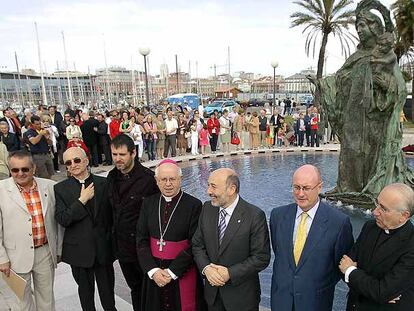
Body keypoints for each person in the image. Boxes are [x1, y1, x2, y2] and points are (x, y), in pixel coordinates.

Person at [269, 164, 354, 311]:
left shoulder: (338, 222)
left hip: (315, 303)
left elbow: (341, 265)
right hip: (281, 301)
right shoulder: (277, 216)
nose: (300, 194)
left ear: (319, 187)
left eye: (306, 188)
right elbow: (280, 253)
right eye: (296, 187)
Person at [192, 168, 270, 311]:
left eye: (213, 186)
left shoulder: (254, 215)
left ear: (231, 189)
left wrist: (229, 273)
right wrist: (206, 268)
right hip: (213, 298)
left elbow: (261, 257)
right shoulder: (207, 208)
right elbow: (197, 245)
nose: (208, 191)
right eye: (209, 185)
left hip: (242, 300)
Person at [137, 159, 206, 310]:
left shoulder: (194, 205)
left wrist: (172, 271)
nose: (168, 184)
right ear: (156, 181)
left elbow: (195, 243)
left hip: (181, 270)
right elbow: (141, 240)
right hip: (154, 272)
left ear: (180, 180)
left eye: (172, 179)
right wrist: (153, 271)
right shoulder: (148, 203)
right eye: (163, 179)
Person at [55, 147, 117, 311]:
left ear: (86, 160)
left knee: (108, 294)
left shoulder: (104, 183)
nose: (73, 165)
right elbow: (63, 219)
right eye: (68, 162)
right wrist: (81, 201)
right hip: (79, 252)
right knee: (85, 294)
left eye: (76, 160)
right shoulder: (60, 189)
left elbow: (113, 216)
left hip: (103, 249)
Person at [0, 150, 62, 311]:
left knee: (46, 300)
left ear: (33, 168)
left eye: (25, 169)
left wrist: (59, 249)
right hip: (15, 257)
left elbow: (58, 222)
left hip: (44, 252)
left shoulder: (50, 186)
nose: (20, 173)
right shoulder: (1, 190)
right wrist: (2, 258)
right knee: (21, 303)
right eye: (15, 170)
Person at [339, 183, 414, 310]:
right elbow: (343, 265)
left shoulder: (411, 244)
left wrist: (351, 271)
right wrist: (376, 289)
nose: (375, 212)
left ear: (404, 216)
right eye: (377, 203)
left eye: (383, 209)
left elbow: (381, 292)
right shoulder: (370, 227)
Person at [107, 134, 160, 310]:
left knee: (152, 291)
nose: (117, 159)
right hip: (123, 248)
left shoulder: (149, 179)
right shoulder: (112, 176)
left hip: (144, 248)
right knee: (135, 289)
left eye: (122, 155)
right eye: (114, 154)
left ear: (133, 153)